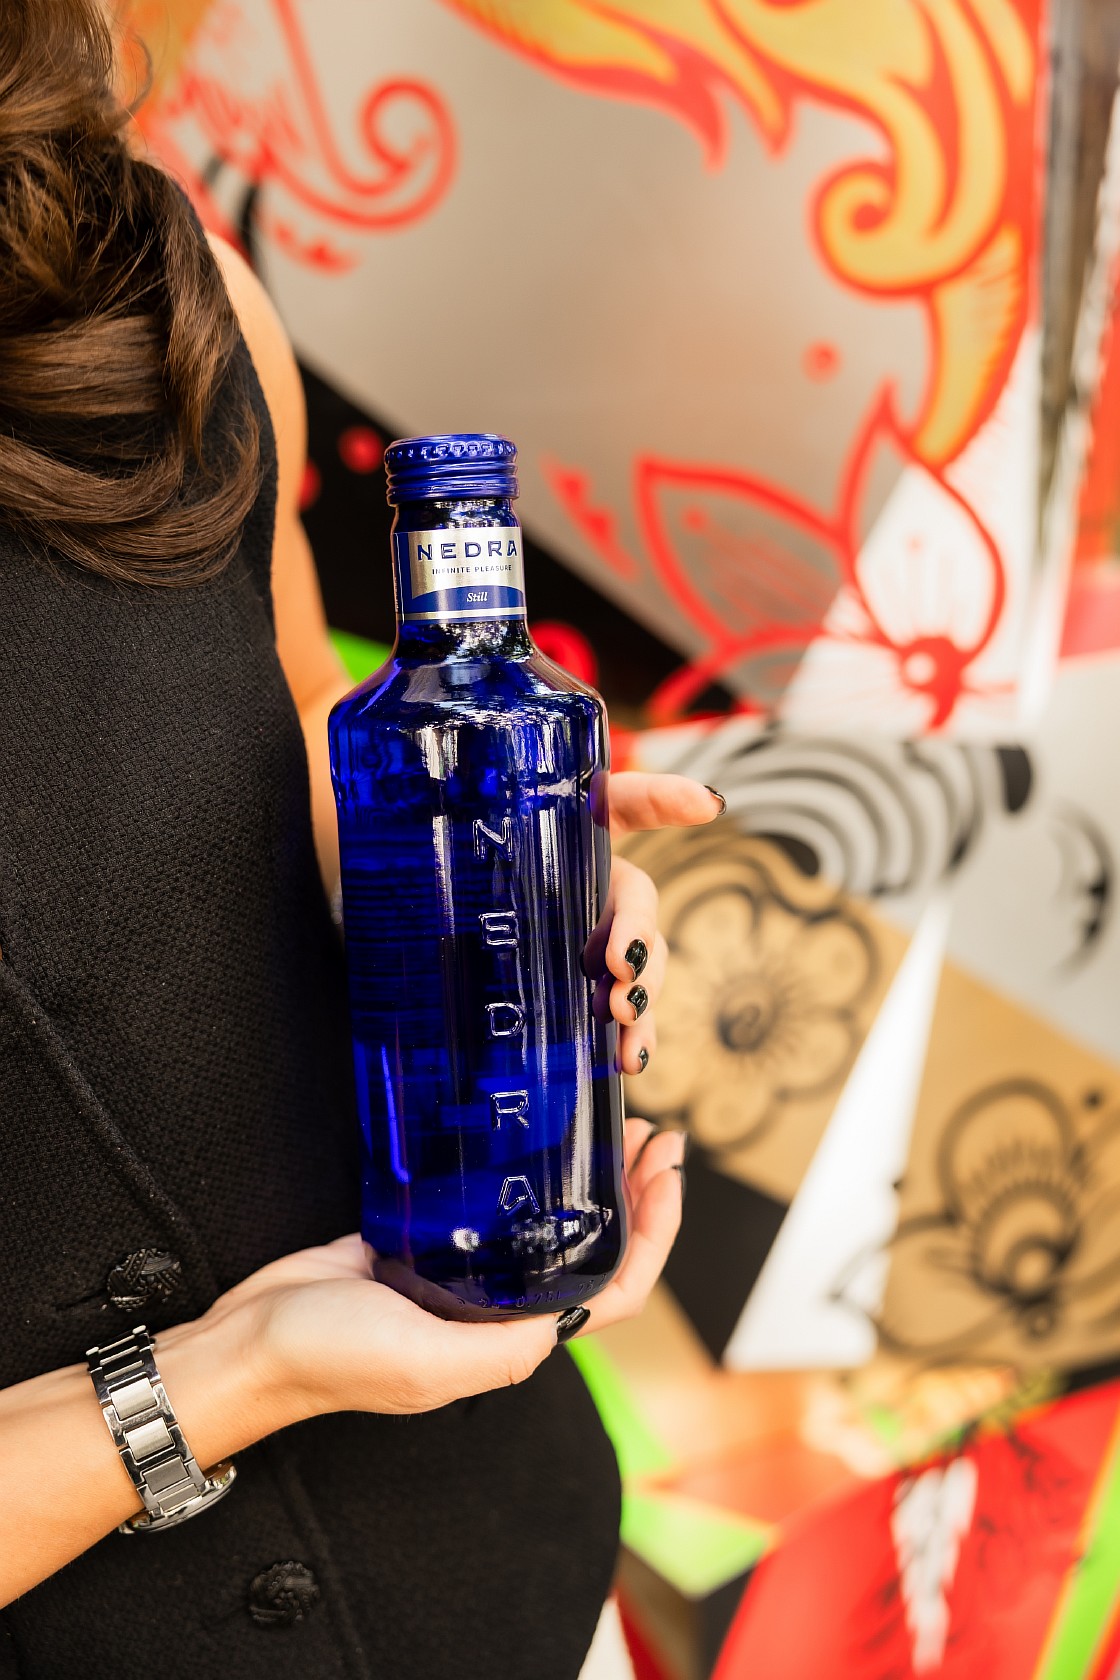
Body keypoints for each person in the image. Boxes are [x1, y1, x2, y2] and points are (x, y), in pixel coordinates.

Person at [0, 3, 723, 1676]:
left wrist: (468, 858)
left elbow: (289, 723)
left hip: (504, 1555)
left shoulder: (145, 287)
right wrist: (232, 1377)